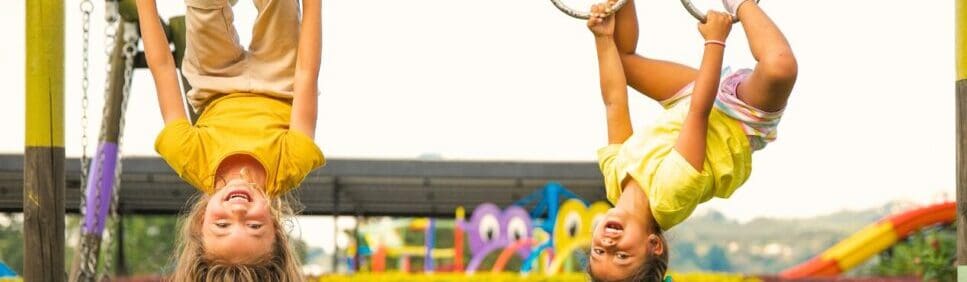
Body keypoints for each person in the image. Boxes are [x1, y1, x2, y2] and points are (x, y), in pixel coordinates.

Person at [584, 0, 798, 280]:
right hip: (736, 120)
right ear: (654, 245)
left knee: (619, 61)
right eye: (622, 256)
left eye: (598, 251)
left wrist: (602, 38)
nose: (608, 244)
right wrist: (715, 41)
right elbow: (699, 113)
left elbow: (614, 102)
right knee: (780, 67)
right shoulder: (668, 198)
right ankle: (740, 3)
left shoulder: (614, 179)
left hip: (690, 101)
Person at [135, 0, 325, 279]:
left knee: (203, 5)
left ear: (201, 221)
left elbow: (163, 68)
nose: (238, 210)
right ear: (276, 225)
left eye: (222, 225)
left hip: (214, 80)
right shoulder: (291, 163)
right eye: (254, 226)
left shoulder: (190, 158)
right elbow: (307, 72)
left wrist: (144, 4)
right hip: (280, 81)